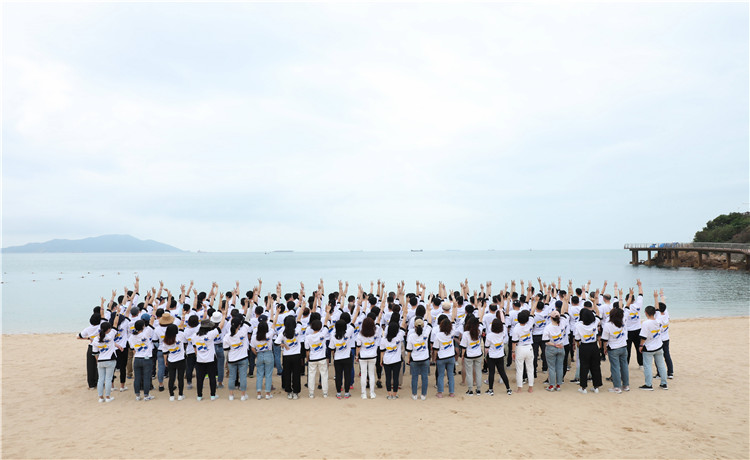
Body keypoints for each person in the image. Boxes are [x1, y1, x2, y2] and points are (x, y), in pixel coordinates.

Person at [188, 311, 226, 401]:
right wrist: (224, 315)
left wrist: (199, 355)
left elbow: (195, 349)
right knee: (212, 378)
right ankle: (212, 395)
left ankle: (199, 396)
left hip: (200, 360)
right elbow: (220, 326)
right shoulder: (210, 334)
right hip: (210, 359)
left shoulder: (194, 336)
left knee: (199, 379)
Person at [90, 316, 123, 403]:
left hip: (100, 360)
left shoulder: (96, 339)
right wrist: (118, 313)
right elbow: (115, 323)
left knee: (100, 379)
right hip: (110, 359)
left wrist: (97, 361)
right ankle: (108, 397)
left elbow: (95, 353)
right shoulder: (110, 335)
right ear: (108, 329)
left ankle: (101, 397)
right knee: (108, 379)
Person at [275, 306, 305, 399]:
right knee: (296, 374)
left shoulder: (282, 333)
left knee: (287, 374)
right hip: (296, 356)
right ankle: (296, 392)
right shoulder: (297, 330)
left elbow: (276, 343)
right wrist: (302, 307)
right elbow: (299, 319)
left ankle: (289, 391)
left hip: (287, 356)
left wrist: (283, 345)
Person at [639, 299, 668, 391]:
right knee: (661, 365)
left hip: (649, 348)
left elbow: (643, 337)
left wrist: (641, 346)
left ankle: (648, 385)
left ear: (646, 313)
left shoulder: (646, 323)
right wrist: (656, 298)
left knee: (648, 366)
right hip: (659, 346)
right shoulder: (659, 320)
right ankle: (664, 383)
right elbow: (658, 310)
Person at [304, 302, 332, 398]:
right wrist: (327, 312)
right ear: (320, 327)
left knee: (311, 376)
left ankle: (311, 393)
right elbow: (326, 323)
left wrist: (307, 358)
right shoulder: (322, 334)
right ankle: (325, 393)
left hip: (312, 358)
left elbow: (307, 349)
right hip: (322, 358)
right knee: (324, 375)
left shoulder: (308, 337)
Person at [432, 298, 458, 398]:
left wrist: (434, 357)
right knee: (450, 375)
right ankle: (452, 392)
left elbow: (435, 349)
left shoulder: (438, 335)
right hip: (451, 356)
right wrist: (454, 308)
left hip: (441, 357)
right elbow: (453, 320)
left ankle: (440, 393)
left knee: (441, 375)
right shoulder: (452, 332)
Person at [574, 306, 602, 394]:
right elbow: (598, 313)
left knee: (584, 367)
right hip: (594, 346)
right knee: (595, 366)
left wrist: (578, 345)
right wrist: (594, 303)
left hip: (584, 346)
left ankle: (583, 387)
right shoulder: (595, 322)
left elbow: (577, 339)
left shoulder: (578, 325)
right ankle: (596, 387)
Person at [601, 304, 629, 394]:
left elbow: (605, 339)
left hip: (613, 348)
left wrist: (604, 348)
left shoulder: (608, 325)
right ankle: (626, 385)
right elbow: (625, 309)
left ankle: (617, 387)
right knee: (624, 366)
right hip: (623, 347)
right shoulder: (623, 322)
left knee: (615, 367)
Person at [223, 315, 251, 401]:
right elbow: (247, 318)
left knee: (232, 377)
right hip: (243, 358)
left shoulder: (226, 337)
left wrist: (226, 361)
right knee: (243, 377)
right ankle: (243, 395)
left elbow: (226, 350)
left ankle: (231, 395)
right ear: (239, 325)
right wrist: (249, 307)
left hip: (232, 359)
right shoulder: (243, 332)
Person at [379, 313, 407, 400]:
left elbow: (382, 351)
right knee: (395, 377)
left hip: (387, 361)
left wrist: (381, 360)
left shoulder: (383, 340)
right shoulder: (399, 337)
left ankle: (389, 394)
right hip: (396, 361)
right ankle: (394, 394)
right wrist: (404, 315)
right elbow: (403, 325)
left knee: (388, 377)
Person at [127, 318, 155, 401]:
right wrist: (154, 312)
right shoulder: (146, 333)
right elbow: (152, 322)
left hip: (137, 358)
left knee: (137, 378)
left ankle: (137, 395)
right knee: (146, 377)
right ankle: (146, 395)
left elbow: (132, 348)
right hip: (146, 358)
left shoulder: (131, 337)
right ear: (143, 326)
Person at [161, 321, 188, 401]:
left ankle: (171, 395)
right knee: (180, 378)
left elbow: (165, 352)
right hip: (181, 360)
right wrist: (183, 318)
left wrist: (165, 361)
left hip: (171, 360)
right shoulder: (180, 335)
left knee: (171, 378)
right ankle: (180, 394)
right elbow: (181, 327)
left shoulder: (165, 340)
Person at [356, 315, 382, 399]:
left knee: (363, 375)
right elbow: (378, 321)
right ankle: (372, 393)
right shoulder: (376, 331)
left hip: (363, 356)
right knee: (371, 374)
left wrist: (357, 356)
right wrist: (381, 311)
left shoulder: (360, 335)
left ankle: (363, 393)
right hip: (373, 355)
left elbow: (358, 347)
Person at [542, 308, 567, 392]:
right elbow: (564, 314)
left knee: (551, 367)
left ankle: (551, 385)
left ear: (551, 318)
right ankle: (558, 385)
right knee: (560, 367)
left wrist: (554, 345)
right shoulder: (562, 324)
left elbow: (546, 340)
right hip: (561, 346)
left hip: (552, 348)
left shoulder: (548, 327)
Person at [484, 318, 511, 395]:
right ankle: (508, 389)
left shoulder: (489, 336)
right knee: (502, 372)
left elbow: (486, 348)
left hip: (491, 356)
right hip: (500, 356)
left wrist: (485, 356)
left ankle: (490, 390)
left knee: (491, 373)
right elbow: (504, 324)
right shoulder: (502, 334)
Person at [250, 319, 276, 400]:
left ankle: (259, 393)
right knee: (268, 375)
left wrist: (257, 354)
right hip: (268, 354)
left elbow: (252, 348)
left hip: (260, 354)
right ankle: (267, 394)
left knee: (259, 375)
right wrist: (276, 314)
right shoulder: (269, 335)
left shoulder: (254, 337)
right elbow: (273, 325)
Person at [459, 316, 484, 396]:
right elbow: (481, 321)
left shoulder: (466, 334)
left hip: (469, 355)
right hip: (478, 354)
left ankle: (470, 390)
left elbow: (463, 347)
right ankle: (478, 389)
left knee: (469, 373)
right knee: (478, 372)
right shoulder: (479, 331)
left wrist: (462, 356)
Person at [654, 289, 673, 379]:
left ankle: (659, 374)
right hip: (666, 339)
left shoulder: (658, 316)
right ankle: (670, 373)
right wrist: (661, 296)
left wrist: (655, 298)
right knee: (667, 355)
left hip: (659, 340)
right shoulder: (666, 314)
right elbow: (663, 305)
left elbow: (657, 308)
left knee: (658, 357)